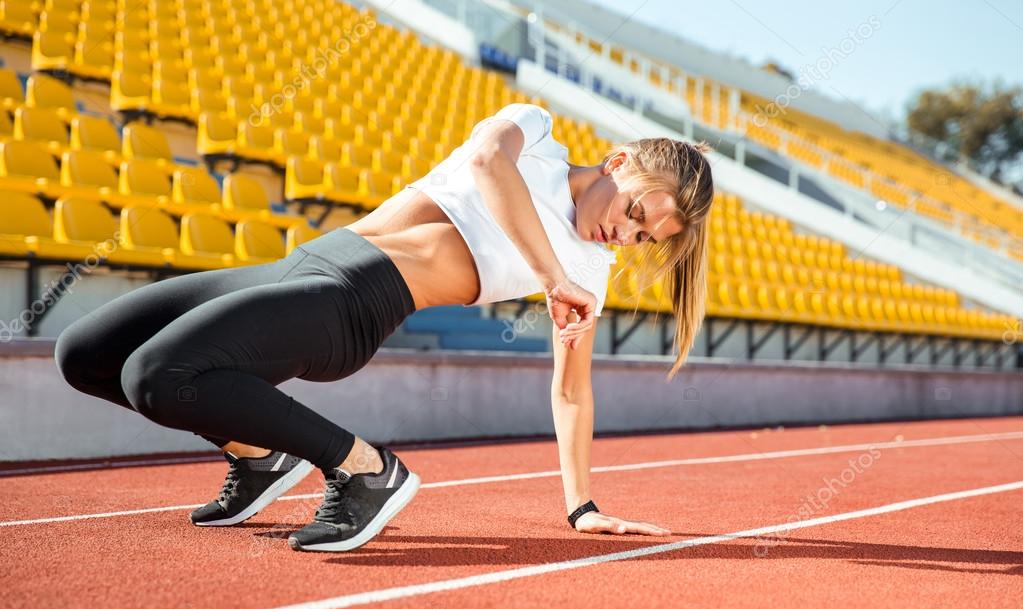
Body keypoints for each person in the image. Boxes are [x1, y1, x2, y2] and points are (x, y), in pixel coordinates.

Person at [54, 102, 714, 552]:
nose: (622, 235)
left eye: (639, 238)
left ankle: (365, 470)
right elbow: (488, 163)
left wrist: (582, 506)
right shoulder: (532, 131)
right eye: (634, 213)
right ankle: (258, 458)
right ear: (618, 160)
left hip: (348, 305)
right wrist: (548, 276)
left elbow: (570, 392)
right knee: (84, 354)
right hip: (298, 264)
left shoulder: (586, 271)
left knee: (157, 376)